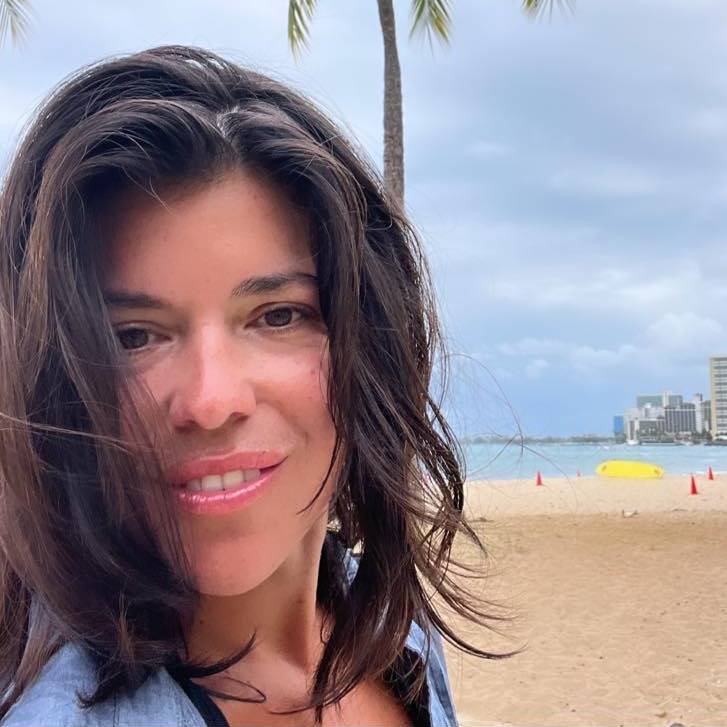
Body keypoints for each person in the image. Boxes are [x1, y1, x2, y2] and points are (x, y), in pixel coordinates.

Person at [0, 45, 517, 727]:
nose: (211, 401)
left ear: (369, 341)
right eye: (133, 336)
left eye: (277, 316)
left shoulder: (392, 628)